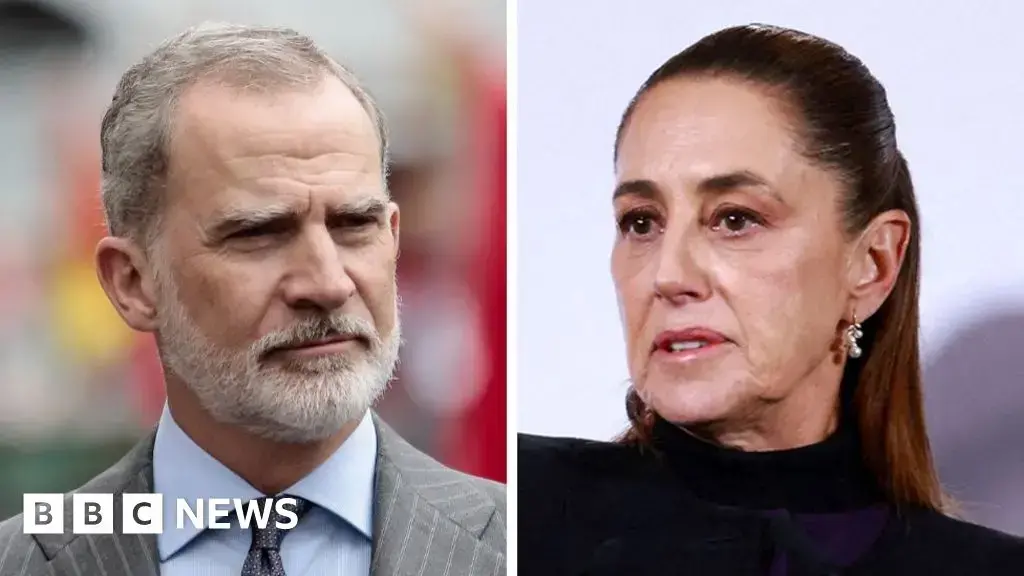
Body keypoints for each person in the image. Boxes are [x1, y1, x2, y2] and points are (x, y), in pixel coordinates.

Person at [0, 23, 505, 576]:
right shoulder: (25, 559)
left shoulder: (521, 543)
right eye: (258, 233)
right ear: (132, 282)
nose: (328, 283)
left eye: (355, 224)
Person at [519, 23, 1024, 576]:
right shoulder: (509, 516)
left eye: (735, 219)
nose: (667, 274)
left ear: (874, 262)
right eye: (641, 222)